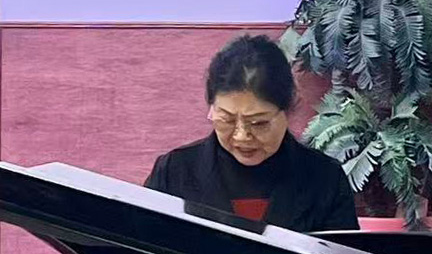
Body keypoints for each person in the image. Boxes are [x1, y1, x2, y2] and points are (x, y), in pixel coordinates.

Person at [144, 34, 359, 232]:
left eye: (258, 123)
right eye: (227, 120)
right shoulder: (174, 172)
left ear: (287, 109)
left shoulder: (324, 179)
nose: (241, 136)